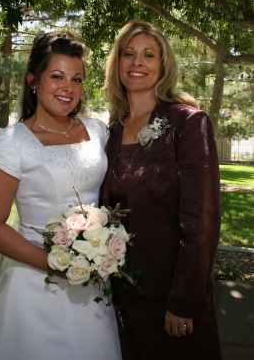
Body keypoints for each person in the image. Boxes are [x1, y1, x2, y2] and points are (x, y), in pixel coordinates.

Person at [0, 31, 122, 360]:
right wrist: (55, 265)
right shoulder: (11, 142)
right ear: (34, 80)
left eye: (77, 79)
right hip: (34, 284)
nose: (68, 88)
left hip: (92, 282)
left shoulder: (98, 131)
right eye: (57, 77)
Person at [101, 20, 223, 359]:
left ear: (163, 65)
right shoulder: (110, 131)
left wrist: (184, 300)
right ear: (118, 64)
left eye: (148, 55)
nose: (137, 62)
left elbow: (202, 221)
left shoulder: (187, 122)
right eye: (129, 54)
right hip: (121, 297)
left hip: (171, 299)